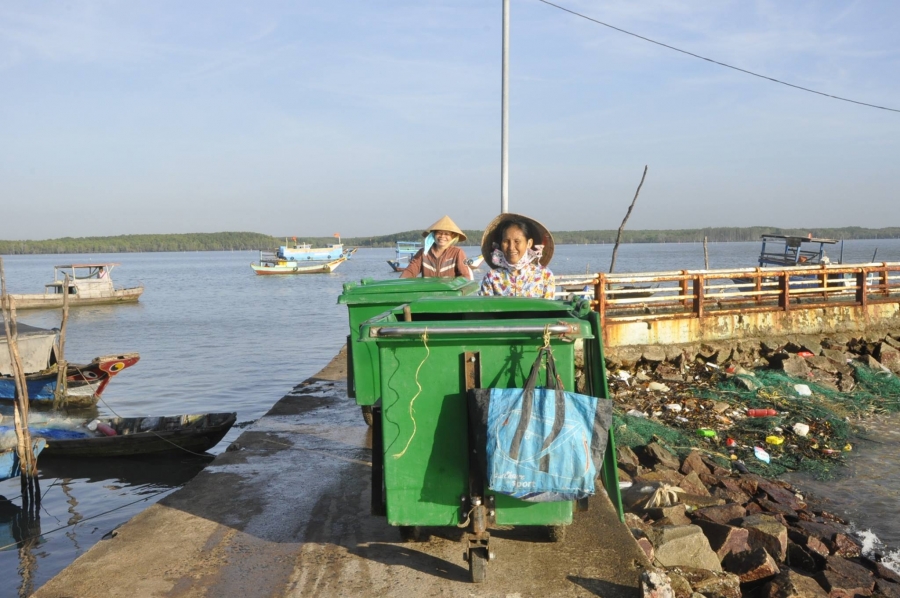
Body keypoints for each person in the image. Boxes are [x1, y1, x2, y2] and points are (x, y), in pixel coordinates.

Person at [478, 213, 555, 298]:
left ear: (529, 243)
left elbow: (549, 309)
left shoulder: (545, 276)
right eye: (506, 241)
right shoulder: (491, 278)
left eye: (517, 241)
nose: (511, 247)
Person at [400, 215, 473, 279]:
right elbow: (410, 271)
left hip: (449, 292)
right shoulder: (423, 253)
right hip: (428, 292)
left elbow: (465, 276)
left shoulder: (457, 253)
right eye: (439, 233)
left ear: (452, 237)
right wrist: (401, 282)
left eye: (446, 234)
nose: (442, 236)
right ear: (433, 235)